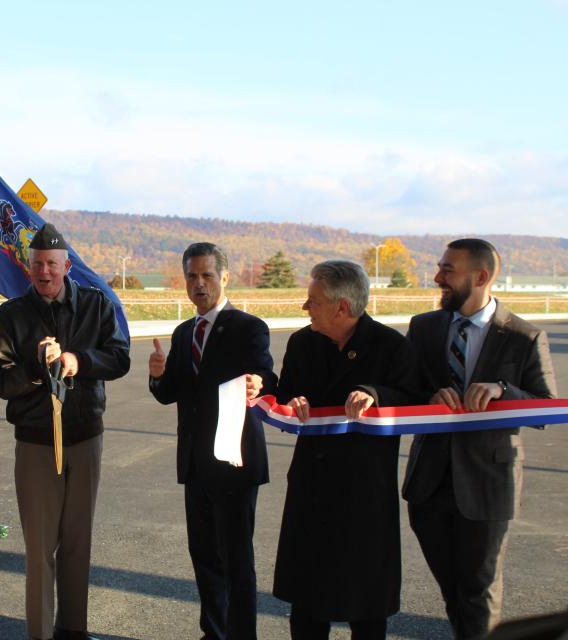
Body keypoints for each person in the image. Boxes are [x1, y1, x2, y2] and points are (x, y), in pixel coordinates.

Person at [402, 238, 557, 640]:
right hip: (429, 483)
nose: (438, 277)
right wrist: (429, 397)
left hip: (488, 483)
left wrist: (505, 391)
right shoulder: (423, 327)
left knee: (478, 589)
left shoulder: (524, 337)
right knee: (454, 590)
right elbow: (404, 387)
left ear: (481, 276)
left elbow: (546, 405)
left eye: (447, 270)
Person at [0, 223, 130, 640]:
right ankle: (41, 634)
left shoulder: (95, 305)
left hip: (85, 438)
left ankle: (73, 630)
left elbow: (119, 359)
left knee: (77, 543)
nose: (44, 272)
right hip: (35, 442)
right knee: (39, 548)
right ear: (27, 268)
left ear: (67, 266)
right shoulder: (12, 315)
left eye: (52, 264)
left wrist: (77, 361)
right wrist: (34, 368)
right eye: (37, 265)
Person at [272, 260, 422, 640]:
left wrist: (376, 396)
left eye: (314, 301)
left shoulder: (390, 346)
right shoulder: (302, 342)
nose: (305, 308)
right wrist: (292, 401)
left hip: (363, 492)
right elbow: (286, 391)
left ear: (342, 307)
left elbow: (413, 399)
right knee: (307, 597)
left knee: (366, 599)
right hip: (312, 485)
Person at [148, 242, 274, 640]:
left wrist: (258, 383)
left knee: (236, 561)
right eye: (191, 276)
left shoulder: (248, 327)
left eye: (206, 275)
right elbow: (170, 392)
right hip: (196, 464)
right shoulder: (184, 333)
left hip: (235, 464)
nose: (199, 284)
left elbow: (265, 375)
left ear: (225, 277)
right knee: (203, 557)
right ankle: (213, 633)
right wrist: (157, 374)